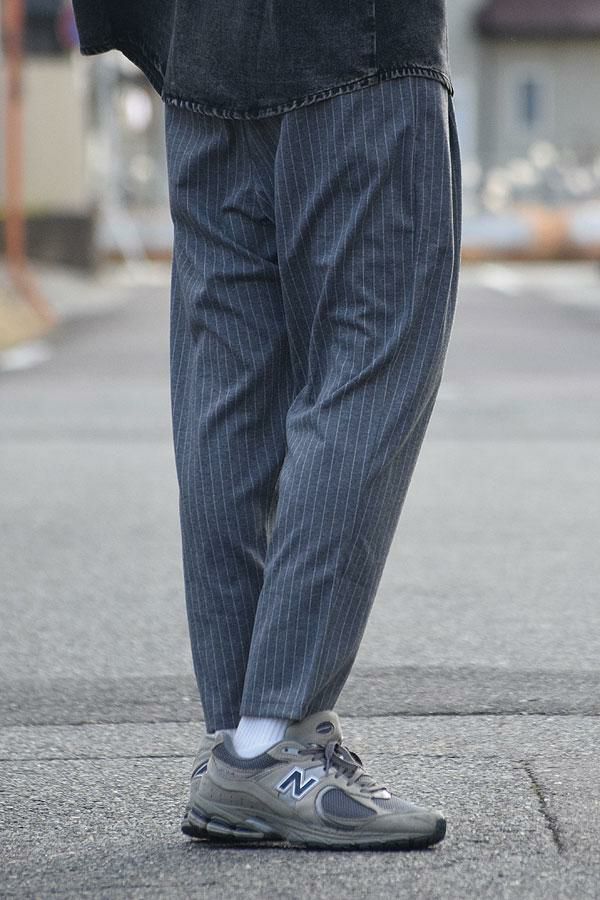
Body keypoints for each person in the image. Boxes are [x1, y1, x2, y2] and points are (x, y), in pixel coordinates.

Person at [72, 0, 462, 850]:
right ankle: (269, 743)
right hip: (355, 44)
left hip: (195, 45)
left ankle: (243, 741)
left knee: (227, 387)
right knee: (369, 364)